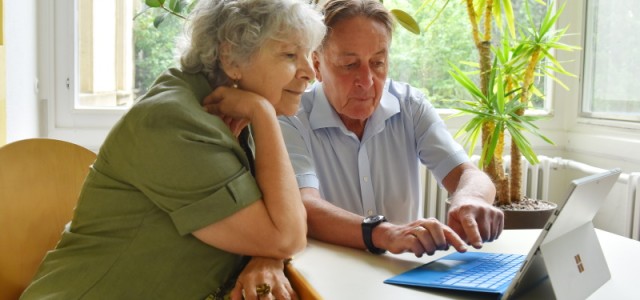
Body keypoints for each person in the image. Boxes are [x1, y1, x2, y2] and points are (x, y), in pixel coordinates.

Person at [20, 1, 325, 299]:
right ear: (231, 58)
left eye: (309, 54)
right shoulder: (172, 122)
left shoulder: (235, 114)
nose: (310, 72)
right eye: (289, 54)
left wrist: (266, 256)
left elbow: (281, 226)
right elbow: (287, 236)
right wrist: (262, 112)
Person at [278, 0, 504, 257]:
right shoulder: (291, 117)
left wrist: (471, 198)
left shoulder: (410, 105)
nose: (366, 81)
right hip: (329, 273)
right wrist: (384, 233)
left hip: (404, 270)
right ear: (317, 65)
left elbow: (468, 175)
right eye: (350, 65)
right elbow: (303, 205)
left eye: (377, 63)